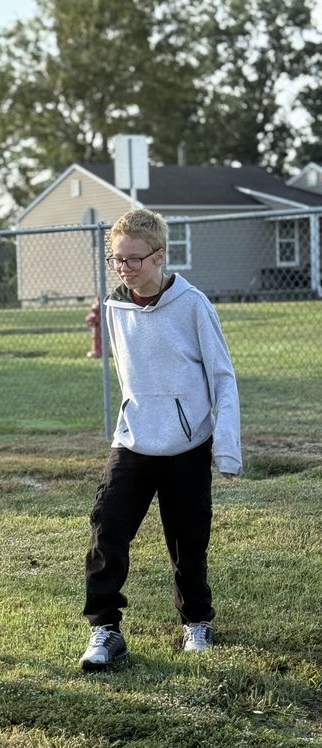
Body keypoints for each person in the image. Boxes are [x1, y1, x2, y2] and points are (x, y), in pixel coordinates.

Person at [79, 209, 241, 671]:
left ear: (159, 256)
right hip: (132, 440)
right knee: (107, 528)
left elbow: (222, 378)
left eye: (133, 259)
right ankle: (105, 629)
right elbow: (127, 376)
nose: (124, 268)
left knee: (187, 540)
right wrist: (134, 414)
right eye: (116, 260)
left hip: (187, 444)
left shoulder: (194, 305)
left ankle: (196, 622)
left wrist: (225, 446)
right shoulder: (115, 306)